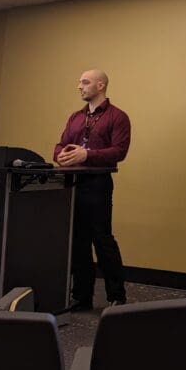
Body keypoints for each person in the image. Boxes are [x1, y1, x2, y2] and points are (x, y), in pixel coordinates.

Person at [54, 69, 131, 309]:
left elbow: (119, 151)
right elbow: (59, 147)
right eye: (79, 82)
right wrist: (62, 157)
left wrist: (87, 154)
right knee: (78, 241)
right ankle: (82, 297)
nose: (80, 86)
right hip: (74, 183)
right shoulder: (75, 117)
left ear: (101, 86)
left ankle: (116, 296)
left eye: (85, 82)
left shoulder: (117, 117)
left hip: (98, 184)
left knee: (102, 240)